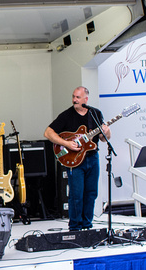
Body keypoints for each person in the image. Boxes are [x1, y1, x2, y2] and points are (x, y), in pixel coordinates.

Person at [44, 86, 110, 231]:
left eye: (78, 97)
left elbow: (103, 139)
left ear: (86, 99)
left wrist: (107, 132)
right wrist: (66, 143)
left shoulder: (95, 114)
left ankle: (87, 225)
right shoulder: (67, 115)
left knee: (91, 193)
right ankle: (75, 227)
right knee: (76, 195)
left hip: (92, 158)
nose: (74, 100)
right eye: (74, 96)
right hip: (75, 161)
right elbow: (48, 133)